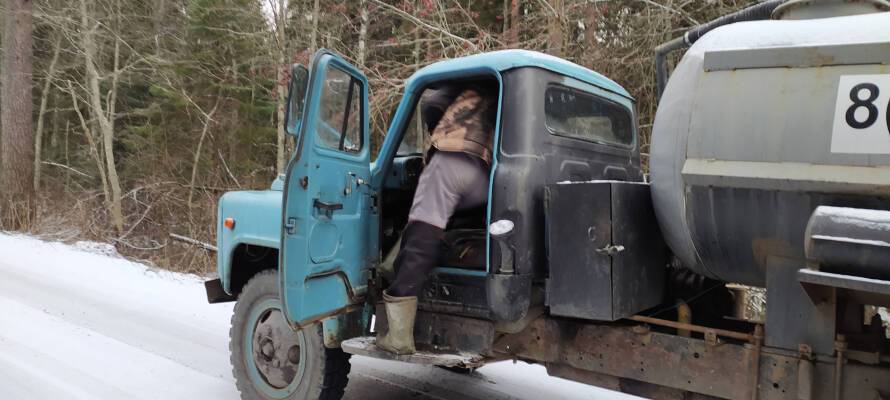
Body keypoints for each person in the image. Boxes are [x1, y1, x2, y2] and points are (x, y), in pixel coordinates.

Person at [376, 82, 498, 355]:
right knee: (444, 225)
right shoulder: (500, 91)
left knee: (422, 232)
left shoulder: (465, 85)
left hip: (453, 160)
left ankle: (398, 334)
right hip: (486, 173)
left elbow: (432, 105)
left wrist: (435, 131)